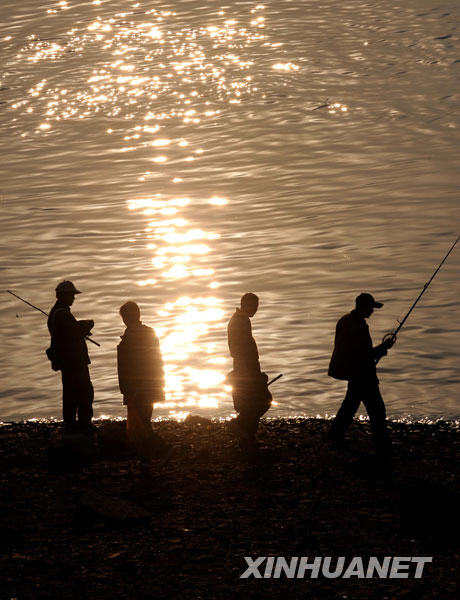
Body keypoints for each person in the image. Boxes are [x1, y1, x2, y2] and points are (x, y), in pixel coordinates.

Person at [328, 292, 395, 470]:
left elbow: (356, 352)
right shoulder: (358, 326)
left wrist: (379, 350)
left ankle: (335, 434)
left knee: (350, 404)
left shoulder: (345, 320)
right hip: (362, 374)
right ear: (364, 307)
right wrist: (383, 348)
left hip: (352, 372)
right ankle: (382, 446)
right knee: (377, 410)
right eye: (371, 308)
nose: (372, 311)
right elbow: (364, 355)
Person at [117, 301, 170, 460]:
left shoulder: (128, 339)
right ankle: (149, 455)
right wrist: (160, 381)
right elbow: (158, 360)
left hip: (137, 388)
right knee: (144, 420)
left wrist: (127, 391)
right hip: (151, 384)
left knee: (142, 424)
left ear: (126, 318)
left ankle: (160, 449)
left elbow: (127, 368)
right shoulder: (150, 333)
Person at [47, 280, 94, 434]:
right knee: (85, 392)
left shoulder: (57, 313)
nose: (74, 298)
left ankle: (71, 425)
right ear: (64, 296)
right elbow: (73, 334)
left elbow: (67, 333)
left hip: (67, 362)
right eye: (72, 295)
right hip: (74, 362)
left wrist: (80, 328)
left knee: (70, 394)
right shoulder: (62, 313)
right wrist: (87, 325)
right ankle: (83, 424)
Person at [227, 293, 272, 450]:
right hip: (246, 368)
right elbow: (242, 351)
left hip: (244, 367)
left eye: (257, 307)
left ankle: (247, 437)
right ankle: (240, 426)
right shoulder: (241, 322)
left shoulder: (239, 320)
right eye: (254, 306)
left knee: (251, 403)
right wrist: (254, 375)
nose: (256, 310)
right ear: (245, 305)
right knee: (261, 400)